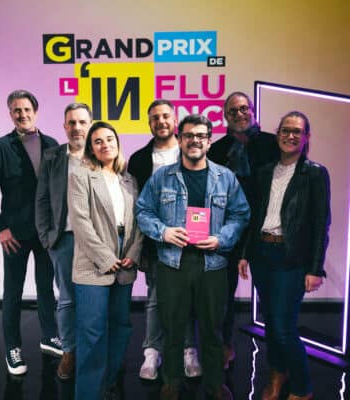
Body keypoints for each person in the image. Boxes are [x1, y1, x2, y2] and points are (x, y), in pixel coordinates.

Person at [136, 114, 250, 400]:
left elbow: (240, 214)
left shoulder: (225, 177)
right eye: (189, 135)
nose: (195, 140)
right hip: (172, 263)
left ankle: (215, 384)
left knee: (212, 329)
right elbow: (143, 211)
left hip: (213, 263)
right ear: (180, 139)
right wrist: (163, 232)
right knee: (172, 328)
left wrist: (221, 238)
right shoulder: (162, 177)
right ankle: (172, 382)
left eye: (201, 136)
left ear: (209, 142)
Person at [238, 111, 331, 400]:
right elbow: (255, 216)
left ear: (306, 137)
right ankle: (278, 373)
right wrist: (245, 253)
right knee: (271, 324)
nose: (290, 136)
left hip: (291, 259)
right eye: (285, 130)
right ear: (277, 134)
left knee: (282, 329)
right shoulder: (265, 171)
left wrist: (315, 268)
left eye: (297, 131)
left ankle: (302, 389)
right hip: (262, 254)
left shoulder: (314, 173)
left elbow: (321, 224)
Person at [0, 90, 61, 375]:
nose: (22, 114)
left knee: (46, 287)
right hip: (14, 236)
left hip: (46, 233)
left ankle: (49, 336)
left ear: (35, 111)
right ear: (10, 114)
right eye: (17, 110)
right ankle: (12, 348)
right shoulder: (0, 147)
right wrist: (0, 229)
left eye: (27, 109)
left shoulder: (52, 145)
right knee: (12, 292)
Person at [68, 121, 143, 399]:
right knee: (92, 332)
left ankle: (107, 385)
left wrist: (133, 253)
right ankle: (88, 394)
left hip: (125, 256)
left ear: (117, 143)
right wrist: (104, 256)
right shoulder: (81, 175)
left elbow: (139, 221)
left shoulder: (129, 179)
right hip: (93, 259)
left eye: (109, 139)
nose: (105, 144)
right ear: (91, 148)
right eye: (98, 141)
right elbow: (80, 221)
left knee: (121, 327)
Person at [128, 99, 201, 380]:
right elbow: (136, 208)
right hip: (155, 243)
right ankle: (152, 352)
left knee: (189, 299)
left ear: (175, 120)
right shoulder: (138, 159)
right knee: (156, 298)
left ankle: (189, 351)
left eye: (165, 116)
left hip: (190, 241)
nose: (161, 121)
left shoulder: (191, 152)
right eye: (155, 117)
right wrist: (140, 249)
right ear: (149, 123)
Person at [207, 91, 279, 368]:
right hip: (229, 232)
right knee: (223, 296)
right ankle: (224, 346)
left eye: (244, 108)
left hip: (265, 231)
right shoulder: (217, 150)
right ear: (225, 116)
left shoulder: (273, 144)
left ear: (252, 110)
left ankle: (279, 358)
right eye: (233, 111)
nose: (239, 114)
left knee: (271, 299)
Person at [35, 103, 93, 380]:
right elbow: (42, 199)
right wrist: (47, 237)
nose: (77, 128)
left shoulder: (102, 152)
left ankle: (93, 351)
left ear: (90, 124)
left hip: (96, 242)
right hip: (64, 240)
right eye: (72, 122)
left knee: (94, 300)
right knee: (67, 300)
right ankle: (69, 351)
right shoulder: (52, 156)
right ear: (64, 126)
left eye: (82, 122)